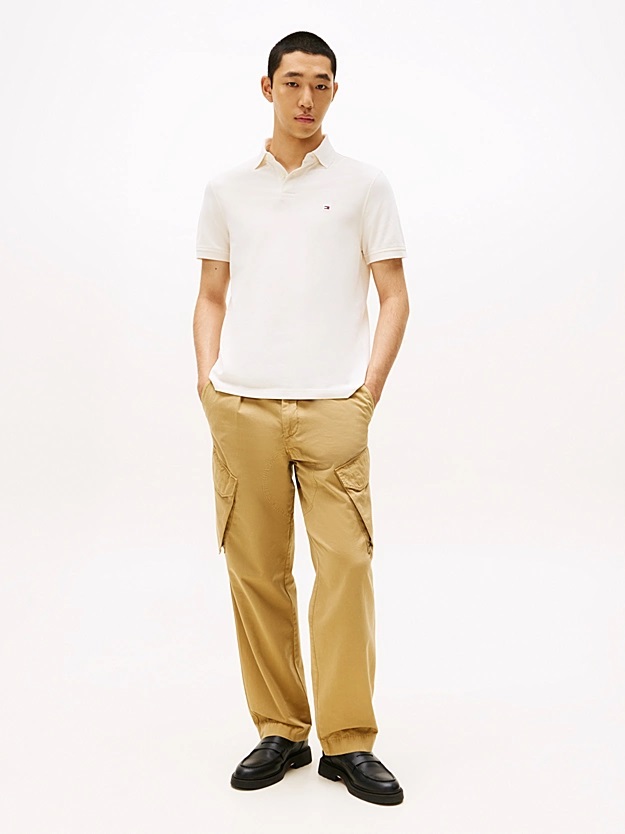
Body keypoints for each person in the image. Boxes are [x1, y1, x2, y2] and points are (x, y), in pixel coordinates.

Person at [193, 30, 410, 806]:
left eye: (320, 83)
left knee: (344, 567)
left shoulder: (363, 185)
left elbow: (393, 295)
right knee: (256, 571)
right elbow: (210, 294)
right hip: (243, 406)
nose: (306, 97)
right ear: (267, 88)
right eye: (292, 82)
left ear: (333, 92)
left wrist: (366, 393)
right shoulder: (227, 189)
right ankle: (281, 729)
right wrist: (207, 386)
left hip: (333, 407)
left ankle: (348, 742)